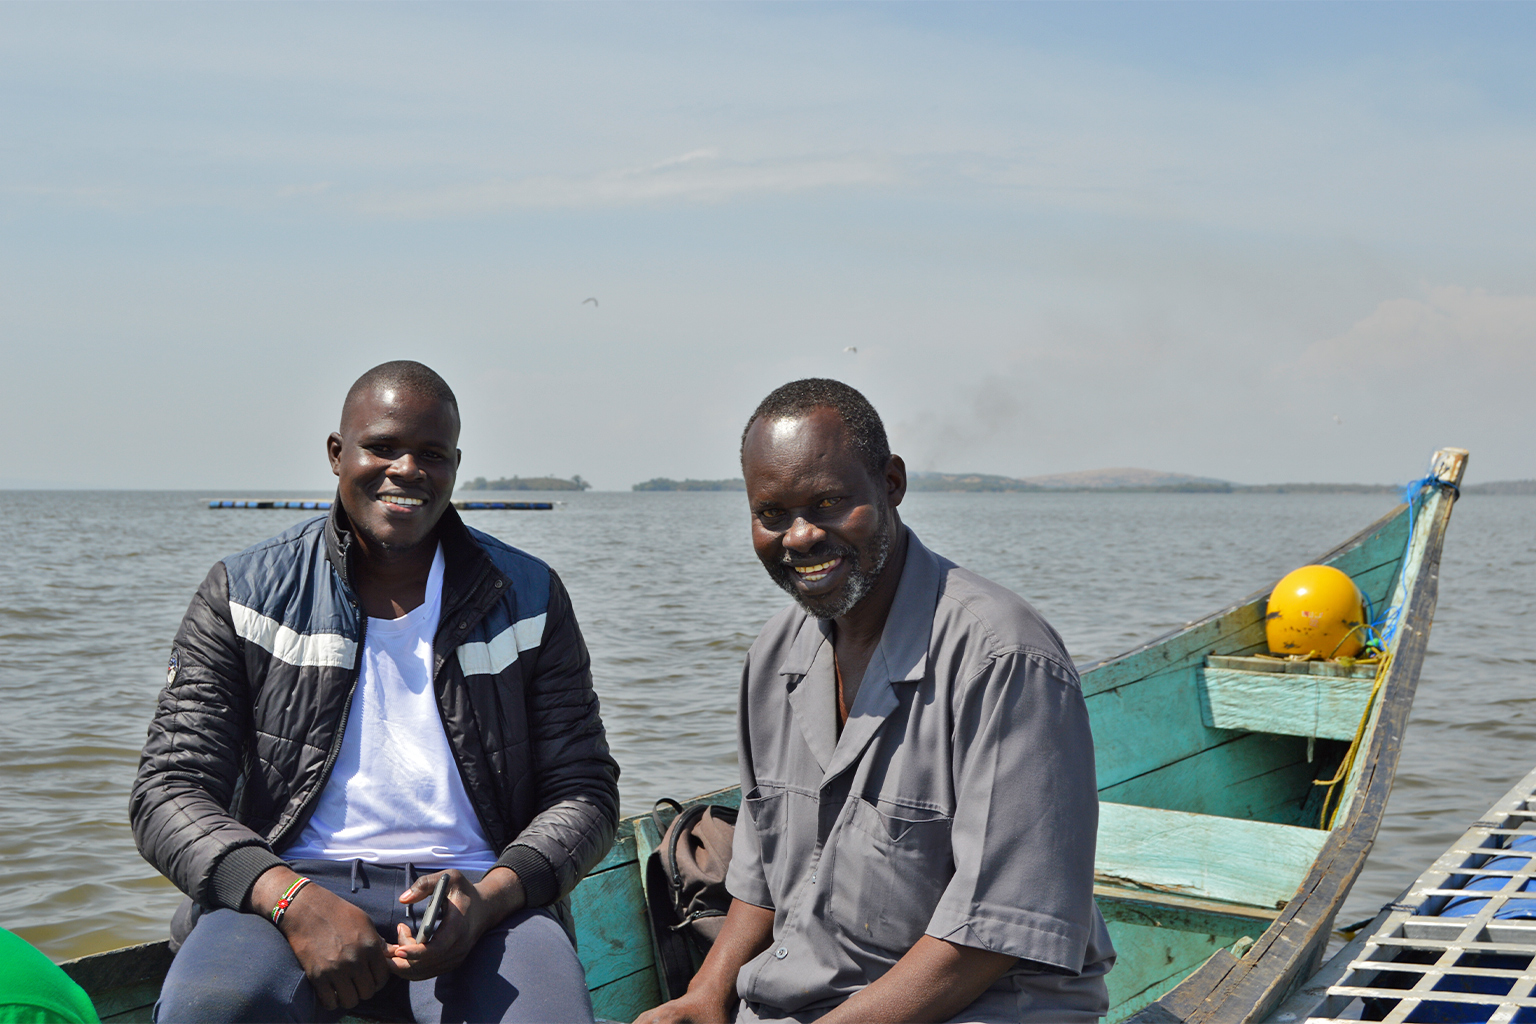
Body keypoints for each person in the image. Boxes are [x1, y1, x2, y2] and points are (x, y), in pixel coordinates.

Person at [130, 361, 619, 1023]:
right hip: (289, 891)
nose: (407, 469)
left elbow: (584, 788)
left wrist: (496, 896)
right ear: (337, 454)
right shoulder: (243, 592)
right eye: (383, 447)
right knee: (209, 1009)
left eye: (432, 454)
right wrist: (286, 896)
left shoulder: (529, 595)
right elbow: (169, 787)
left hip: (476, 897)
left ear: (455, 466)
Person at [638, 379, 1115, 1024]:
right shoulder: (773, 659)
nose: (800, 536)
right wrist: (706, 994)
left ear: (891, 484)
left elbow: (992, 931)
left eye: (830, 502)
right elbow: (761, 872)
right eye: (771, 514)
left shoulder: (1005, 659)